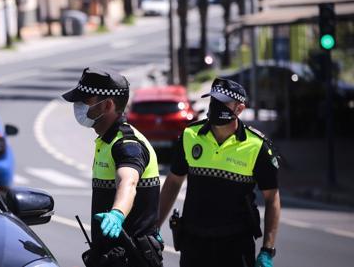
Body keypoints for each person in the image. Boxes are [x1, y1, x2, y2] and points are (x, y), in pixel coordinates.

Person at [158, 78, 281, 267]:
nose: (215, 106)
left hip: (235, 246)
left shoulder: (258, 147)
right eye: (213, 101)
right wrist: (155, 226)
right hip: (193, 243)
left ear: (239, 109)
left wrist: (267, 250)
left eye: (223, 103)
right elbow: (174, 181)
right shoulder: (190, 136)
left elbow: (272, 198)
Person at [62, 67, 162, 267]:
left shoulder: (127, 144)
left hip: (132, 259)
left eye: (86, 101)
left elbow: (129, 181)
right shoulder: (106, 142)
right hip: (110, 257)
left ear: (107, 105)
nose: (79, 106)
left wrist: (117, 213)